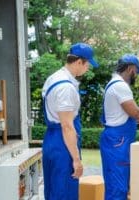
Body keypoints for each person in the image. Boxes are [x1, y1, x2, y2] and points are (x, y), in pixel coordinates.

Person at [100, 54, 139, 200]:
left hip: (116, 140)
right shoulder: (120, 86)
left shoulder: (113, 83)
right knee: (118, 187)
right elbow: (136, 113)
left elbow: (129, 117)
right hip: (118, 142)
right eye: (136, 72)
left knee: (118, 185)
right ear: (130, 69)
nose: (137, 76)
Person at [42, 43, 99, 200]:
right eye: (88, 64)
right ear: (79, 62)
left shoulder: (54, 78)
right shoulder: (66, 88)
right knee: (64, 193)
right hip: (62, 143)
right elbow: (67, 126)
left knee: (53, 191)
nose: (88, 68)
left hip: (51, 140)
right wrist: (76, 160)